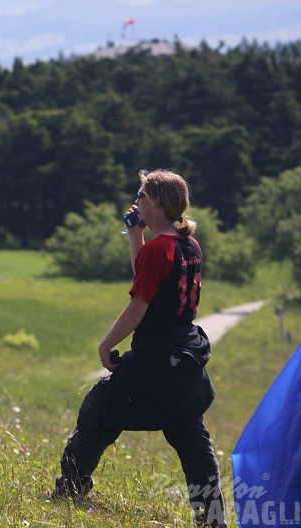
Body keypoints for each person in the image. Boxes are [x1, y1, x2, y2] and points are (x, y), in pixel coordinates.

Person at [51, 169, 227, 527]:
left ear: (157, 202)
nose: (137, 200)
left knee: (98, 412)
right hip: (185, 356)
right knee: (190, 433)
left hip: (154, 357)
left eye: (142, 195)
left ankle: (69, 490)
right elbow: (147, 278)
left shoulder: (160, 250)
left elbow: (139, 304)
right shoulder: (187, 245)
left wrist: (106, 344)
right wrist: (136, 235)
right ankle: (212, 518)